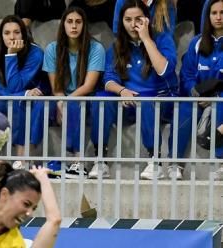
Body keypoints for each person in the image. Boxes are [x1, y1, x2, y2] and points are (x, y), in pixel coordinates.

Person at [89, 0, 183, 181]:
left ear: (147, 20)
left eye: (139, 19)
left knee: (146, 100)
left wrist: (146, 39)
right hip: (130, 99)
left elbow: (163, 69)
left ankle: (154, 160)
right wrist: (122, 90)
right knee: (101, 98)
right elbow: (108, 79)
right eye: (128, 19)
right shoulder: (117, 46)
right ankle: (100, 159)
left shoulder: (163, 39)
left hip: (161, 99)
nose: (133, 24)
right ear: (121, 22)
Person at [43, 5, 105, 177]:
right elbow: (57, 87)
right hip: (62, 97)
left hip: (87, 97)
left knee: (74, 105)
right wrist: (62, 101)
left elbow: (88, 86)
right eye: (69, 22)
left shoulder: (96, 48)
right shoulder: (52, 49)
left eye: (78, 22)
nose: (74, 26)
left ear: (84, 25)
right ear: (63, 25)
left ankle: (77, 161)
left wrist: (66, 101)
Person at [0, 15, 45, 164]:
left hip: (38, 98)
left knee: (26, 103)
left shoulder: (36, 53)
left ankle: (23, 156)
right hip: (14, 98)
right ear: (1, 35)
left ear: (24, 33)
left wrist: (11, 55)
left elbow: (16, 85)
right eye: (6, 33)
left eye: (16, 32)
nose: (12, 37)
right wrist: (25, 93)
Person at [179, 0, 223, 180]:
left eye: (222, 12)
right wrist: (195, 94)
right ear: (207, 16)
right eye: (214, 13)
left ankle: (221, 161)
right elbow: (187, 75)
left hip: (220, 99)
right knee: (183, 109)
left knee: (221, 104)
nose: (219, 17)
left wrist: (216, 96)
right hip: (199, 97)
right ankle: (176, 163)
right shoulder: (196, 43)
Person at [113, 0, 177, 35]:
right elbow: (117, 33)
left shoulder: (167, 4)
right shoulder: (122, 2)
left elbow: (168, 37)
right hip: (130, 50)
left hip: (156, 50)